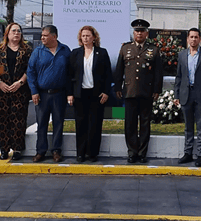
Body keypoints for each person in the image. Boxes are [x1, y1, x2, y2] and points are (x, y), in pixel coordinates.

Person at [114, 19, 163, 163]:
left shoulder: (154, 49)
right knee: (129, 124)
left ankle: (142, 153)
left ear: (146, 33)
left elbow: (158, 72)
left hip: (146, 92)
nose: (139, 33)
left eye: (142, 31)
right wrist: (117, 87)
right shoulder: (125, 48)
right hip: (129, 92)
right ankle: (132, 152)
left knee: (145, 124)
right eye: (137, 31)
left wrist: (156, 90)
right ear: (133, 33)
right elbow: (119, 70)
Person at [67, 25, 112, 163]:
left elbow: (108, 74)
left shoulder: (102, 53)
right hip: (80, 95)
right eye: (83, 36)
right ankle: (80, 153)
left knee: (95, 125)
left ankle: (93, 154)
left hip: (96, 95)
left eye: (88, 35)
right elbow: (69, 75)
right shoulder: (75, 53)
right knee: (80, 124)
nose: (85, 38)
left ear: (94, 37)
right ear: (80, 38)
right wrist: (70, 94)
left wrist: (106, 92)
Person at [27, 25, 71, 163]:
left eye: (45, 35)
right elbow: (30, 72)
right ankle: (40, 151)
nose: (42, 38)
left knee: (58, 123)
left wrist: (69, 93)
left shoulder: (65, 50)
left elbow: (70, 73)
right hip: (42, 95)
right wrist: (34, 91)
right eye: (42, 35)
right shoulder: (38, 51)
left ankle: (56, 151)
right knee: (42, 123)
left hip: (60, 94)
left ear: (54, 36)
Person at [173, 28, 201, 167]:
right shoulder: (182, 55)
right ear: (187, 39)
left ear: (200, 39)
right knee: (188, 126)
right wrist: (176, 94)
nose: (193, 39)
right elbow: (179, 76)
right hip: (186, 94)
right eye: (191, 37)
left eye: (196, 37)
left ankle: (200, 155)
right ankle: (188, 152)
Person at [0, 23, 32, 161]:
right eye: (13, 31)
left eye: (19, 31)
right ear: (7, 34)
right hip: (1, 90)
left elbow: (30, 69)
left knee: (18, 120)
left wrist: (20, 82)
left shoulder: (27, 49)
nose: (16, 33)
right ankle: (4, 149)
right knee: (2, 120)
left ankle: (17, 149)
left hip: (20, 90)